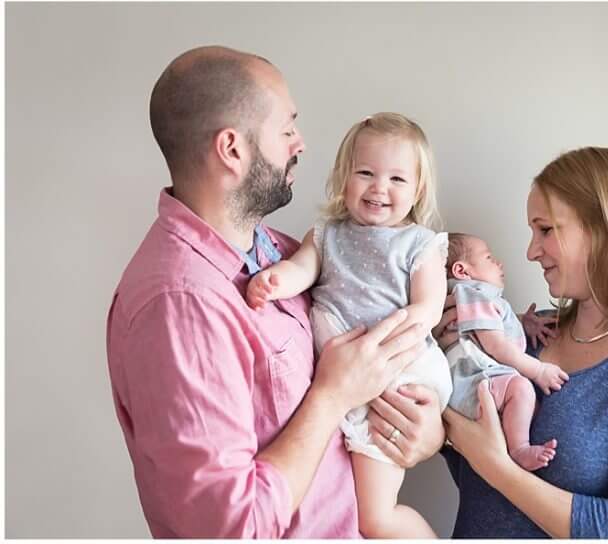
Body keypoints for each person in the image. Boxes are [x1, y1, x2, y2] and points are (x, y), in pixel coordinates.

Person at [107, 48, 444, 540]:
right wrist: (332, 397)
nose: (300, 143)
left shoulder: (283, 255)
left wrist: (423, 433)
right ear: (232, 149)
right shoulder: (180, 304)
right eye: (287, 129)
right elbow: (228, 529)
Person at [440, 148, 608, 538]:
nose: (531, 251)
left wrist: (497, 467)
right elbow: (464, 461)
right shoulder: (526, 338)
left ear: (602, 229)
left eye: (546, 230)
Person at [248, 115, 456, 539]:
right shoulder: (327, 235)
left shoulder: (420, 243)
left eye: (397, 178)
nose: (380, 187)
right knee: (340, 493)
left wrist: (395, 338)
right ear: (344, 178)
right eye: (366, 173)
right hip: (344, 373)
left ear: (417, 190)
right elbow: (301, 270)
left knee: (375, 518)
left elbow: (429, 306)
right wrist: (276, 280)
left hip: (398, 370)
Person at [443, 234, 566, 473]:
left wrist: (523, 323)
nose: (499, 263)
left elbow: (487, 327)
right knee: (521, 389)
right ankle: (519, 449)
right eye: (488, 258)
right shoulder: (474, 294)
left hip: (475, 382)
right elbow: (495, 345)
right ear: (462, 270)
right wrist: (538, 370)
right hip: (476, 380)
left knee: (523, 405)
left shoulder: (469, 298)